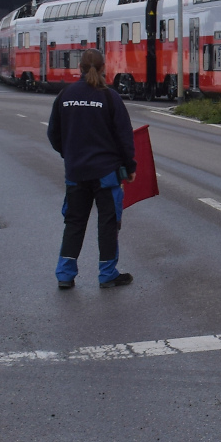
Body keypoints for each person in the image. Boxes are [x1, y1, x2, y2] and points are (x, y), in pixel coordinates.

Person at [46, 49, 136, 289]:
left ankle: (65, 275)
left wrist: (69, 154)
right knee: (108, 223)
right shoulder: (110, 97)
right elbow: (125, 137)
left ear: (80, 69)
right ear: (104, 68)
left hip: (76, 173)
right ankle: (107, 275)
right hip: (106, 173)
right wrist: (130, 166)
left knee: (74, 223)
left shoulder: (65, 95)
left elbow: (53, 133)